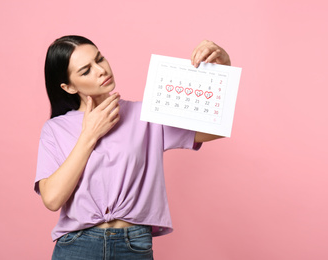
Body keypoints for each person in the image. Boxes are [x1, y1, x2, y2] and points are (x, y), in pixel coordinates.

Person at [35, 35, 231, 260]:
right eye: (86, 70)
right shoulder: (55, 129)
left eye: (100, 59)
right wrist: (89, 134)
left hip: (133, 246)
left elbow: (217, 129)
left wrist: (223, 71)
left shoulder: (146, 115)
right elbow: (52, 199)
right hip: (77, 246)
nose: (101, 70)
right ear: (68, 87)